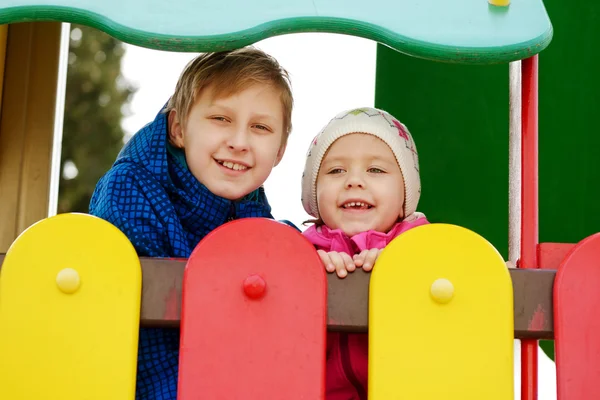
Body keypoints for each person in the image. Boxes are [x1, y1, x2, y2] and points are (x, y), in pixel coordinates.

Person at [89, 47, 294, 399]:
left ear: (279, 151)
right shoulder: (131, 190)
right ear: (179, 129)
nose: (239, 142)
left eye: (260, 127)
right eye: (220, 119)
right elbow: (143, 345)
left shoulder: (252, 210)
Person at [300, 107, 428, 398]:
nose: (354, 181)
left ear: (405, 196)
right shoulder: (301, 250)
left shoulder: (425, 246)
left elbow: (464, 276)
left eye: (375, 170)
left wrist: (409, 266)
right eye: (336, 170)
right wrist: (306, 270)